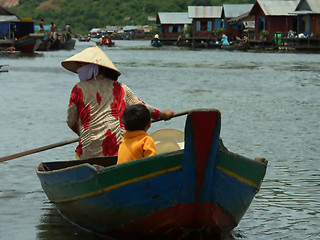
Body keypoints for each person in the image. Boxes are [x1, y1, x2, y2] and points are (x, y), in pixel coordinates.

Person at [61, 45, 175, 160]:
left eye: (83, 66)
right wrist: (162, 114)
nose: (80, 69)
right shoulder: (120, 88)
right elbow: (142, 109)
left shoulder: (78, 89)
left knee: (80, 153)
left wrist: (85, 134)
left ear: (97, 67)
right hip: (117, 151)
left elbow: (71, 121)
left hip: (88, 153)